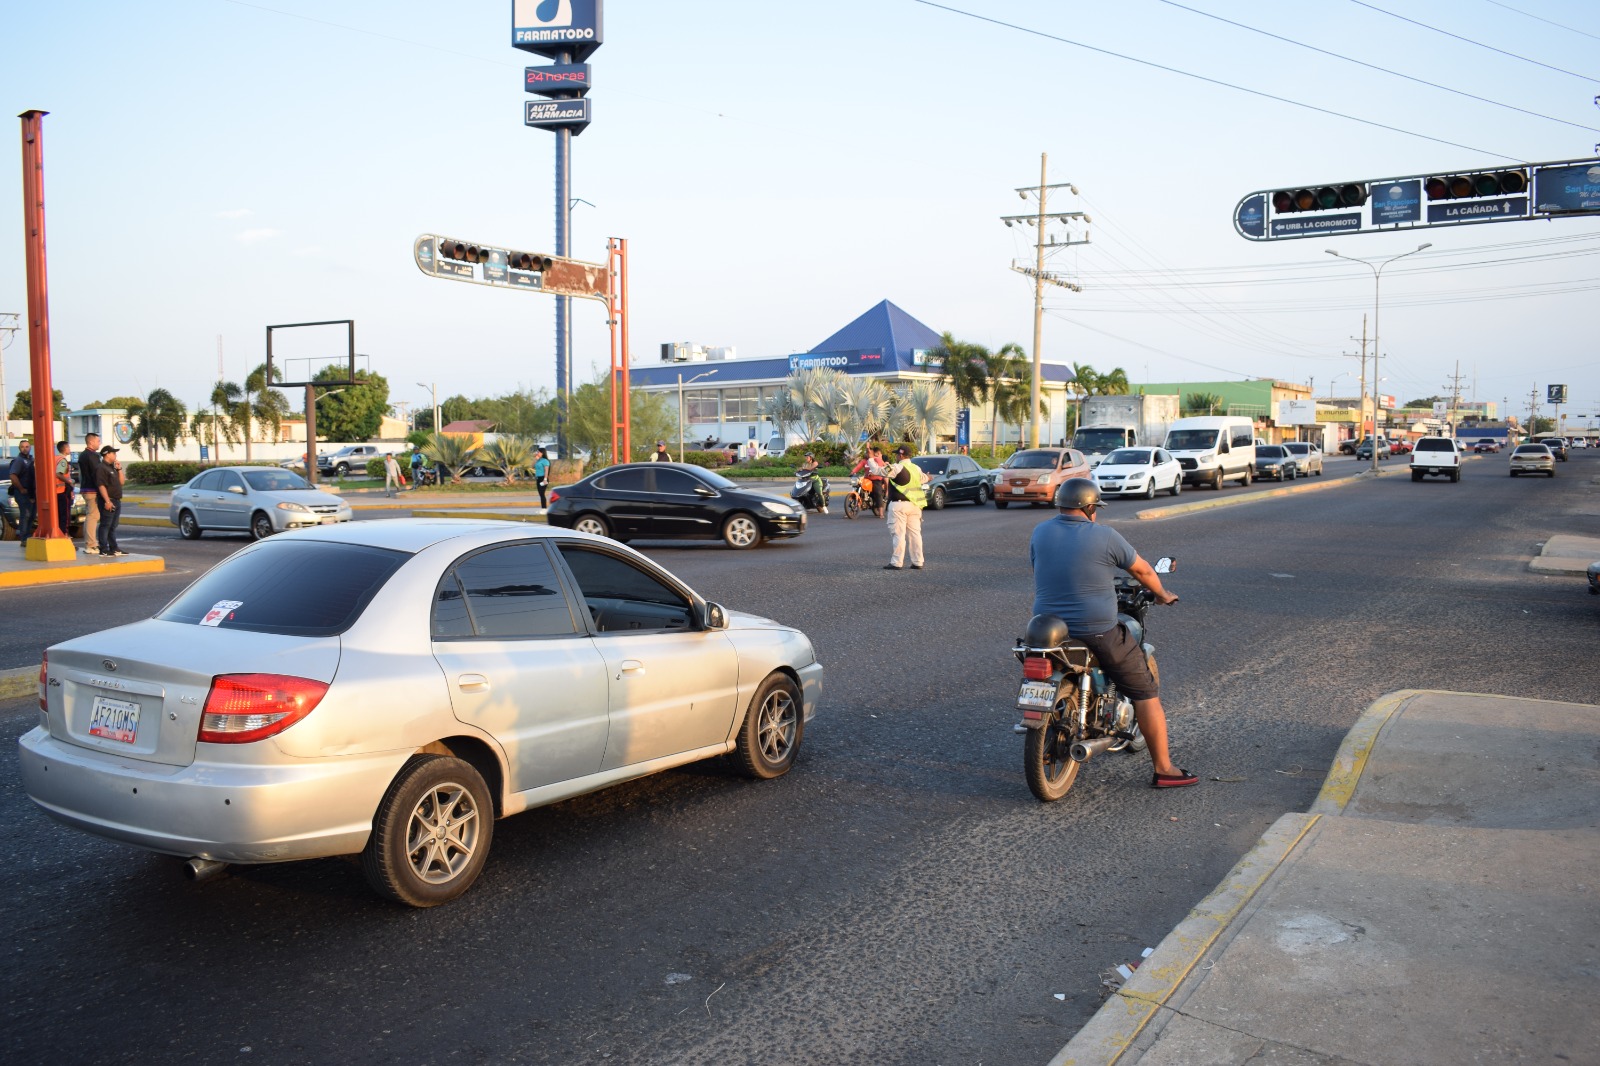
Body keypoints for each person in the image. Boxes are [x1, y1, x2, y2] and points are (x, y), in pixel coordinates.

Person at [1030, 478, 1197, 789]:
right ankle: (1164, 769)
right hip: (1096, 630)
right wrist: (1161, 593)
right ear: (1090, 507)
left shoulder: (1040, 532)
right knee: (1145, 692)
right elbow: (1144, 571)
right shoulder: (1104, 536)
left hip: (1047, 629)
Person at [882, 446, 928, 570]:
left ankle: (897, 562)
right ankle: (918, 561)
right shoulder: (916, 468)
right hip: (914, 505)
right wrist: (929, 477)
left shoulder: (897, 467)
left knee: (899, 534)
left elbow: (880, 471)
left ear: (901, 456)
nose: (896, 456)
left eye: (897, 454)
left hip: (899, 505)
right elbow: (924, 478)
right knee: (915, 534)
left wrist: (872, 459)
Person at [94, 444, 127, 556]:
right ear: (106, 454)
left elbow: (122, 482)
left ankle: (114, 547)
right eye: (113, 453)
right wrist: (107, 501)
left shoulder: (112, 467)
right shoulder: (101, 468)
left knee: (113, 525)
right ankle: (103, 548)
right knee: (105, 524)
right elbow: (101, 485)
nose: (115, 455)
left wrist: (119, 469)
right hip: (108, 500)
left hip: (117, 500)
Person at [78, 432, 104, 555]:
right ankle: (91, 544)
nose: (99, 443)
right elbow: (97, 473)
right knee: (93, 516)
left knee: (92, 515)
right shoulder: (92, 456)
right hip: (92, 489)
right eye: (98, 441)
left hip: (86, 488)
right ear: (91, 442)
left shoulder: (83, 455)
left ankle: (90, 542)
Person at [7, 439, 36, 544]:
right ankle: (24, 537)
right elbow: (13, 475)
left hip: (31, 492)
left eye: (27, 446)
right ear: (19, 448)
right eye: (22, 447)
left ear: (30, 448)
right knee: (26, 514)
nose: (25, 448)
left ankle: (27, 535)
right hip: (22, 492)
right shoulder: (19, 460)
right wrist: (21, 489)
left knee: (32, 515)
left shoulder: (31, 460)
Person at [850, 446, 888, 516]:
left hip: (876, 479)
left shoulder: (877, 459)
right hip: (867, 479)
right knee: (858, 487)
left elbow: (880, 466)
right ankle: (852, 510)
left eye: (869, 453)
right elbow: (858, 467)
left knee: (878, 493)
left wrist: (874, 472)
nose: (867, 454)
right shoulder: (864, 461)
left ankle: (881, 513)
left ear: (873, 454)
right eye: (867, 453)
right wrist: (852, 472)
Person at [53, 440, 74, 538]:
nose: (69, 449)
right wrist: (69, 481)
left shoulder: (55, 458)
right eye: (68, 447)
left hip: (55, 492)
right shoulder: (62, 460)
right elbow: (58, 474)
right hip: (62, 491)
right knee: (64, 517)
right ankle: (64, 536)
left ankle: (60, 535)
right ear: (65, 449)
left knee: (58, 516)